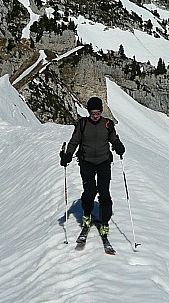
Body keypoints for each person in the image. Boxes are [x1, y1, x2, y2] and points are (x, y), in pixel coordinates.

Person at [60, 97, 125, 237]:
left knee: (104, 193)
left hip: (104, 162)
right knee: (90, 192)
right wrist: (68, 154)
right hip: (86, 162)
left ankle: (104, 222)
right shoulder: (83, 124)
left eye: (98, 113)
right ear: (88, 112)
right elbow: (74, 141)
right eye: (93, 113)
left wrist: (118, 145)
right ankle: (87, 214)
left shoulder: (107, 124)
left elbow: (113, 138)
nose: (95, 116)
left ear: (101, 112)